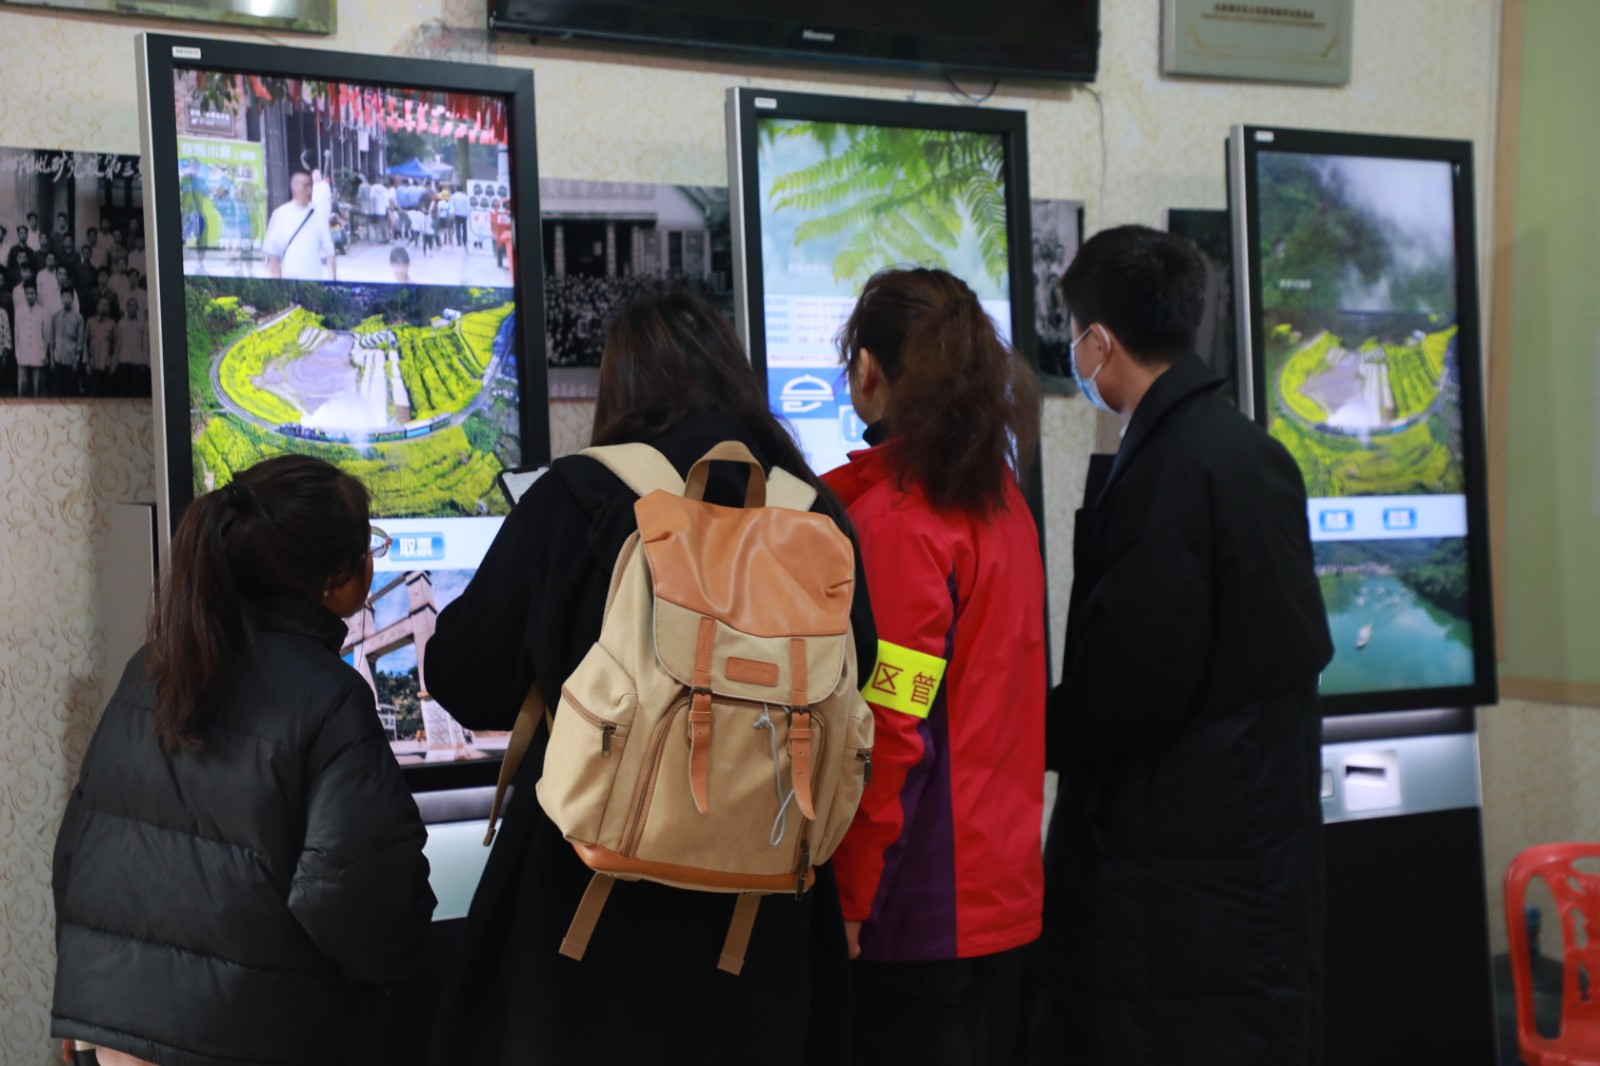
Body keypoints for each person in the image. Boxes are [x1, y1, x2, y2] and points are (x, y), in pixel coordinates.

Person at [421, 285, 876, 1066]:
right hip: (762, 913)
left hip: (585, 919)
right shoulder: (814, 511)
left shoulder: (579, 495)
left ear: (620, 385)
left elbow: (466, 676)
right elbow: (857, 675)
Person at [1032, 225, 1333, 1066]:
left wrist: (1029, 732)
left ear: (1099, 340)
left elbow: (1135, 678)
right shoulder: (1253, 451)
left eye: (1076, 336)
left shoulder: (1166, 471)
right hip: (1257, 834)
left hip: (1176, 857)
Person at [51, 455, 436, 1066]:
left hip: (113, 1037)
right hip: (246, 1035)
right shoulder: (330, 695)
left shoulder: (149, 667)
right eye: (370, 547)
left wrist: (86, 1007)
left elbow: (77, 851)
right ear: (337, 580)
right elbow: (357, 902)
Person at [819, 268, 1046, 1066]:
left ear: (868, 371)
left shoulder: (901, 523)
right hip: (1000, 892)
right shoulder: (1001, 500)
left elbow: (891, 722)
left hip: (916, 906)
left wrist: (850, 897)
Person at [264, 172, 336, 281]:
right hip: (289, 281)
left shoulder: (319, 214)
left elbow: (329, 251)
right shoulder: (281, 213)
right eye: (305, 186)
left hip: (314, 282)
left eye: (310, 186)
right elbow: (273, 252)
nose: (309, 190)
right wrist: (277, 283)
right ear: (293, 187)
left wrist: (333, 280)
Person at [47, 285, 85, 394]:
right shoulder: (55, 317)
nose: (66, 299)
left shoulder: (78, 318)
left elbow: (80, 342)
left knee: (70, 392)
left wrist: (76, 361)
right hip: (57, 360)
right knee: (57, 391)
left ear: (72, 299)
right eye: (63, 297)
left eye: (68, 296)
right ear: (60, 298)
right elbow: (51, 341)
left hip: (71, 360)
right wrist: (52, 361)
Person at [13, 281, 48, 397]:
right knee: (22, 385)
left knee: (38, 387)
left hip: (38, 352)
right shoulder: (19, 311)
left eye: (32, 293)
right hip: (23, 351)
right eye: (27, 293)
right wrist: (17, 352)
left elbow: (46, 335)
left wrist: (44, 353)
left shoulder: (42, 312)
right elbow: (17, 333)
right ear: (24, 295)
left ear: (36, 295)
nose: (30, 296)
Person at [116, 296, 149, 397]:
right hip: (123, 360)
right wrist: (116, 361)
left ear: (137, 308)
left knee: (136, 391)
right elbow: (118, 343)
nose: (132, 308)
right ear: (126, 308)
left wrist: (144, 363)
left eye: (134, 306)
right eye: (130, 306)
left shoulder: (142, 324)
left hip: (137, 362)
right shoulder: (121, 323)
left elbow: (145, 345)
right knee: (123, 391)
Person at [84, 295, 116, 396]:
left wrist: (113, 365)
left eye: (106, 305)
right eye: (101, 304)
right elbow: (85, 343)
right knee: (93, 395)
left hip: (106, 366)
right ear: (97, 306)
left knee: (106, 396)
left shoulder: (112, 324)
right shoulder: (90, 322)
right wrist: (87, 363)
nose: (103, 307)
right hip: (93, 365)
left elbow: (115, 345)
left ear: (109, 308)